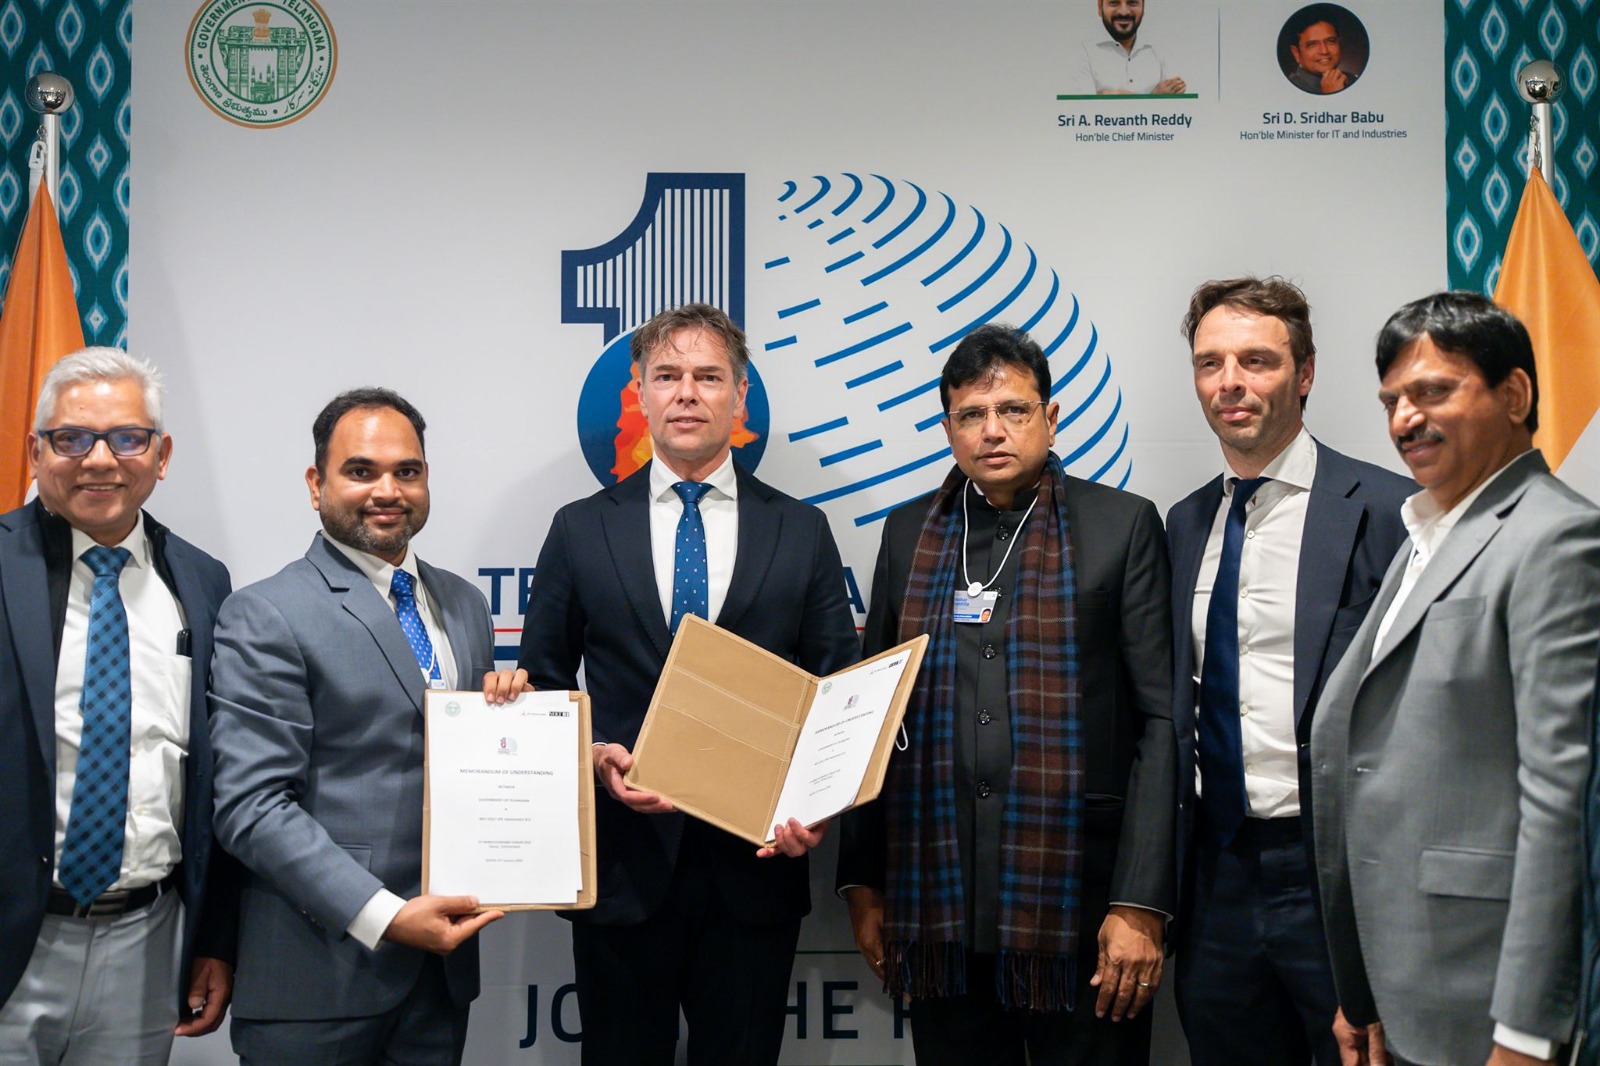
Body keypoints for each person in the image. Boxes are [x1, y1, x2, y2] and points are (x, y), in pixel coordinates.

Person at [518, 303, 859, 1065]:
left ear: (740, 398)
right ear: (639, 393)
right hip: (623, 869)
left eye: (708, 377)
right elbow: (542, 683)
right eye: (667, 376)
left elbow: (838, 691)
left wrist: (816, 804)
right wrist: (594, 756)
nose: (687, 393)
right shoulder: (580, 528)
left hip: (756, 870)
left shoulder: (801, 529)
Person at [837, 323, 1176, 1064]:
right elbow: (870, 715)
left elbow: (1161, 721)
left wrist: (1140, 902)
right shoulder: (907, 535)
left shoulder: (1121, 525)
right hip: (937, 902)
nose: (992, 430)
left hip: (1083, 906)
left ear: (1050, 418)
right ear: (948, 429)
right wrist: (863, 884)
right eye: (971, 414)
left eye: (1014, 410)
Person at [1312, 292, 1600, 1066]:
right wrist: (1363, 990)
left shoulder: (1557, 538)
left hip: (1488, 1002)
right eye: (1392, 401)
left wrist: (1528, 1030)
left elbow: (1562, 800)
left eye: (1434, 391)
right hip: (1404, 985)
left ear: (1515, 394)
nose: (1407, 418)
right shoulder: (1423, 534)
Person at [209, 388, 527, 1065]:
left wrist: (516, 725)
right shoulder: (266, 612)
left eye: (407, 471)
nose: (388, 491)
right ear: (315, 484)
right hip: (317, 980)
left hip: (440, 983)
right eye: (361, 471)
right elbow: (251, 805)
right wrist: (385, 914)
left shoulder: (465, 604)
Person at [1166, 278, 1411, 1066]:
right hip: (1215, 875)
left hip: (1337, 875)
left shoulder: (1391, 512)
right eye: (1211, 363)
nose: (1229, 382)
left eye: (1256, 361)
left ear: (1304, 374)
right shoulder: (1184, 523)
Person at [0, 348, 237, 1064]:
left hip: (147, 942)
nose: (99, 460)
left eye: (127, 438)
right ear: (35, 452)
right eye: (72, 438)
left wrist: (215, 939)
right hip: (15, 937)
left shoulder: (202, 581)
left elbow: (216, 774)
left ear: (161, 455)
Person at [1070, 0, 1187, 96]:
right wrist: (1153, 96)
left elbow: (1175, 109)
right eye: (1114, 2)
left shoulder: (1161, 50)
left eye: (1132, 2)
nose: (1124, 12)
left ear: (1143, 7)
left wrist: (1105, 95)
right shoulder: (1082, 51)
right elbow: (1083, 110)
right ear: (1100, 7)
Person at [1285, 11, 1359, 95]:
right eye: (1312, 45)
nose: (1324, 51)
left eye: (1331, 41)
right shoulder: (1287, 89)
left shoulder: (1354, 80)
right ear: (1296, 53)